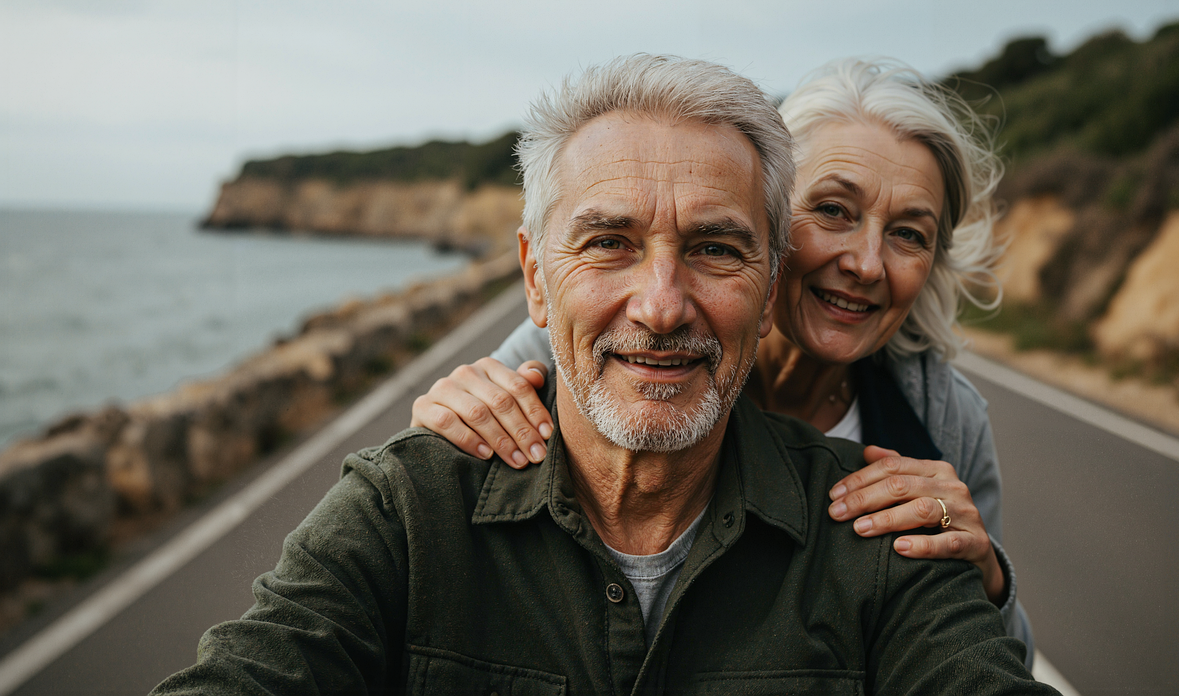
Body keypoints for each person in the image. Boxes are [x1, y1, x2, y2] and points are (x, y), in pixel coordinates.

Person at [153, 55, 1049, 694]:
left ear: (762, 268)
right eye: (834, 211)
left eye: (713, 248)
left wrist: (986, 572)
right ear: (538, 279)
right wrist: (434, 439)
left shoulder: (916, 456)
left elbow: (978, 656)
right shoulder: (442, 472)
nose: (660, 307)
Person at [411, 57, 1036, 665]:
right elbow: (471, 440)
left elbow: (992, 655)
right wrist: (448, 418)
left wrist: (984, 574)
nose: (867, 262)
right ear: (766, 223)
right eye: (833, 211)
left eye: (908, 234)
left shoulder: (943, 419)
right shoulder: (591, 340)